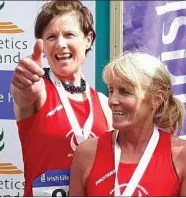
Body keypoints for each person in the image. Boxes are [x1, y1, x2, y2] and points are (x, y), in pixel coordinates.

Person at [11, 1, 112, 196]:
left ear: (88, 39)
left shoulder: (103, 103)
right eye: (51, 37)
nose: (60, 44)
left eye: (69, 34)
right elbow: (23, 95)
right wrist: (23, 85)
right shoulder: (39, 91)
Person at [68, 52, 186, 196]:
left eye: (125, 92)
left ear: (157, 99)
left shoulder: (182, 155)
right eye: (111, 90)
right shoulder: (87, 153)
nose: (112, 100)